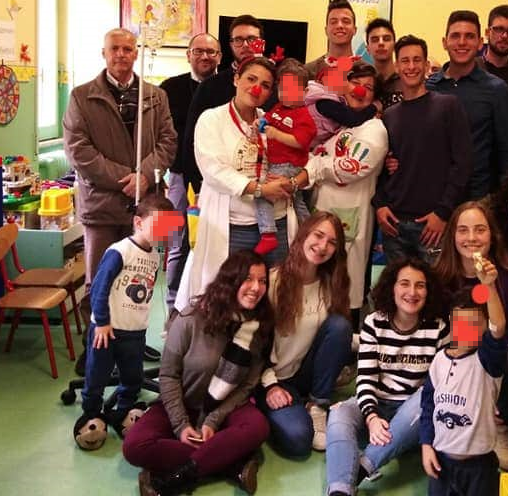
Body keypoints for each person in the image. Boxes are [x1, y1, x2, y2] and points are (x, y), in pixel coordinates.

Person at [63, 27, 177, 371]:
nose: (121, 54)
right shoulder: (82, 96)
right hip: (101, 206)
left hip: (148, 207)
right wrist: (124, 178)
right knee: (99, 278)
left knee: (142, 278)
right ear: (104, 52)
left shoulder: (155, 96)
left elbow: (168, 142)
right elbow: (78, 150)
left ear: (136, 53)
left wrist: (145, 176)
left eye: (128, 49)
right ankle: (95, 349)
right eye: (115, 48)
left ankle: (132, 344)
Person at [123, 250, 274, 496]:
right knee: (134, 446)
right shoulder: (191, 318)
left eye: (262, 280)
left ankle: (177, 478)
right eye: (248, 279)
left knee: (258, 428)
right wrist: (181, 425)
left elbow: (247, 385)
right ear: (230, 281)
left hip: (225, 408)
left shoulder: (260, 327)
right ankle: (232, 465)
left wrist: (213, 420)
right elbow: (168, 375)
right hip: (182, 403)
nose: (256, 288)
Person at [432, 201, 508, 472]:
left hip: (494, 364)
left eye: (480, 230)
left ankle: (498, 427)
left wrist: (490, 340)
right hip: (451, 363)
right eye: (463, 230)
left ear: (492, 235)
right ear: (452, 236)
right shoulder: (438, 279)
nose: (471, 238)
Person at [176, 55, 293, 310]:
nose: (256, 88)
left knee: (272, 296)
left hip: (275, 224)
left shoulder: (271, 122)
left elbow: (292, 155)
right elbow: (213, 169)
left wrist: (289, 179)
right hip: (232, 225)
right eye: (251, 79)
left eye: (265, 85)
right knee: (226, 296)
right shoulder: (212, 119)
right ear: (236, 79)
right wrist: (260, 189)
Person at [324, 258, 449, 496]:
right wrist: (371, 417)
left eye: (420, 285)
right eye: (404, 283)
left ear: (429, 291)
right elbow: (365, 378)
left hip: (412, 414)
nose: (412, 292)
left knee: (428, 396)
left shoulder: (439, 328)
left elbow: (442, 383)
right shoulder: (374, 323)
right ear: (392, 287)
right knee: (339, 413)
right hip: (377, 404)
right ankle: (340, 490)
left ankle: (362, 468)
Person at [73, 193, 175, 448]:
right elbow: (100, 288)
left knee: (132, 376)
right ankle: (92, 414)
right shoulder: (120, 251)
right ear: (139, 223)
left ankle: (125, 412)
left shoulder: (154, 256)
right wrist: (102, 322)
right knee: (97, 375)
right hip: (106, 330)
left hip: (135, 331)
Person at [259, 211, 353, 457]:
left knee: (341, 325)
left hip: (306, 372)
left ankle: (318, 404)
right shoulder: (273, 281)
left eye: (332, 242)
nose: (322, 246)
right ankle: (275, 409)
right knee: (299, 440)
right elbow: (255, 345)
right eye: (318, 236)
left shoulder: (332, 282)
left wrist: (377, 341)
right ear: (303, 235)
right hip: (274, 378)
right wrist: (270, 386)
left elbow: (335, 335)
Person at [374, 35, 472, 262]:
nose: (411, 66)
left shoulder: (447, 106)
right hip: (394, 224)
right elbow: (381, 167)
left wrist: (443, 213)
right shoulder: (390, 115)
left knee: (437, 283)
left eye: (417, 60)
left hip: (433, 225)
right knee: (398, 284)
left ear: (426, 65)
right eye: (405, 61)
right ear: (397, 66)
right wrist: (380, 205)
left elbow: (463, 164)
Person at [306, 62, 389, 322]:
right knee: (319, 283)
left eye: (368, 88)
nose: (360, 90)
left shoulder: (374, 128)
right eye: (356, 83)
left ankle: (346, 336)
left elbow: (352, 167)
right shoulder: (340, 124)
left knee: (345, 284)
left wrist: (315, 167)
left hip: (350, 219)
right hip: (322, 213)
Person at [419, 253, 508, 494]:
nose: (466, 330)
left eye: (474, 324)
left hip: (479, 466)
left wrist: (488, 286)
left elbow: (498, 328)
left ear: (484, 326)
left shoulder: (487, 361)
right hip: (441, 461)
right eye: (460, 323)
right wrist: (426, 446)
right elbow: (428, 407)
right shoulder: (439, 361)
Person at [158, 33, 221, 310]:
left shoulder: (227, 86)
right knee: (175, 241)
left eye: (211, 52)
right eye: (199, 51)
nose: (205, 56)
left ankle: (206, 303)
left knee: (212, 239)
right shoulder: (168, 88)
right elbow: (159, 134)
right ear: (188, 55)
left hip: (215, 179)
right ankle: (172, 308)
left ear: (219, 56)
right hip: (178, 177)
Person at [427, 10, 508, 199]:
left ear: (480, 43)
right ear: (445, 42)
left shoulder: (497, 90)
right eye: (455, 36)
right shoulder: (428, 88)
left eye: (469, 36)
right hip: (432, 197)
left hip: (478, 198)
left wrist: (506, 199)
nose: (462, 42)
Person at [182, 15, 268, 193]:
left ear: (262, 44)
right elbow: (192, 141)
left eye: (252, 39)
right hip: (219, 186)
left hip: (265, 181)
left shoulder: (276, 85)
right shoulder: (210, 86)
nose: (245, 45)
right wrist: (195, 188)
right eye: (238, 40)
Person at [253, 58, 317, 255]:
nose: (286, 93)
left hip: (289, 164)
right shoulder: (278, 108)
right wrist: (259, 124)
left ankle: (268, 234)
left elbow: (301, 142)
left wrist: (276, 134)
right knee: (297, 201)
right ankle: (309, 231)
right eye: (282, 89)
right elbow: (266, 121)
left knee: (262, 193)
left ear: (305, 91)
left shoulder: (303, 116)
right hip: (276, 161)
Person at [306, 0, 357, 82]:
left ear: (355, 30)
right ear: (326, 30)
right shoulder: (308, 71)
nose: (339, 25)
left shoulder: (368, 71)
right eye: (333, 22)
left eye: (346, 21)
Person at [365, 17, 402, 108]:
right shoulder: (365, 84)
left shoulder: (406, 81)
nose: (381, 43)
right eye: (375, 40)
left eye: (386, 39)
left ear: (394, 45)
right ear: (367, 48)